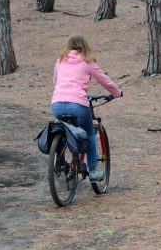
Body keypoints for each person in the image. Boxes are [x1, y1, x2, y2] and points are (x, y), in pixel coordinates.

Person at [51, 33, 122, 182]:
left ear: (68, 45)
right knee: (89, 133)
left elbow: (55, 81)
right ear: (85, 46)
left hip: (57, 104)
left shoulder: (60, 60)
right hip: (77, 104)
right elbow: (105, 81)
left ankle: (60, 160)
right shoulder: (87, 61)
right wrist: (117, 93)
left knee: (65, 130)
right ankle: (94, 171)